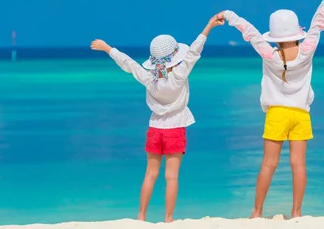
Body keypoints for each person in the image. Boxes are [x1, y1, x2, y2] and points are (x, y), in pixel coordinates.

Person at [223, 0, 324, 219]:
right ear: (295, 31)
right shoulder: (307, 49)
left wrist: (228, 15)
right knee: (298, 165)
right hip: (301, 115)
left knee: (268, 164)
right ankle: (297, 212)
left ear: (274, 35)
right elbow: (319, 19)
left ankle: (257, 212)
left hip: (277, 114)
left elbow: (249, 32)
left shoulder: (269, 54)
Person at [90, 13, 225, 223]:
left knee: (150, 175)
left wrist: (107, 48)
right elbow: (195, 49)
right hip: (175, 129)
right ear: (175, 56)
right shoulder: (179, 75)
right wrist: (209, 26)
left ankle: (141, 216)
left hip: (154, 129)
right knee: (171, 177)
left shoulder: (148, 78)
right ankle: (169, 219)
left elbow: (128, 63)